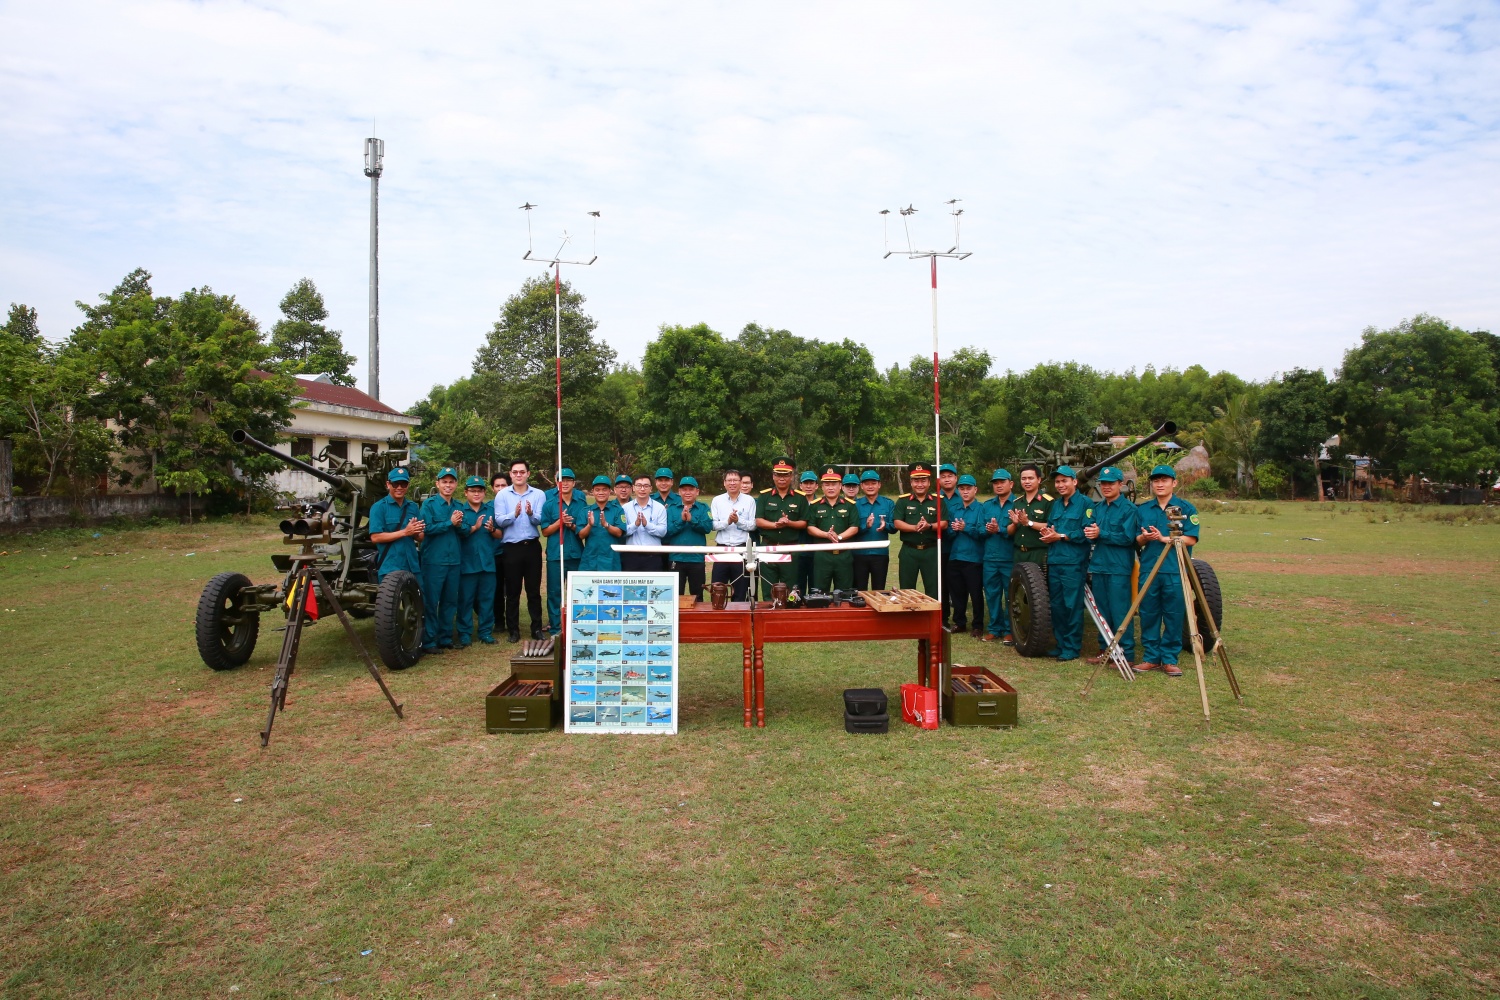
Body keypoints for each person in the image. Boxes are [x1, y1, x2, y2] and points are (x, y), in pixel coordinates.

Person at [1135, 464, 1199, 677]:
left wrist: (1165, 539)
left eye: (1164, 480)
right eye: (1156, 481)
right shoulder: (1143, 509)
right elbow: (1136, 538)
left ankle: (1170, 659)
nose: (1159, 484)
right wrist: (1145, 538)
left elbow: (1191, 538)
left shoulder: (1186, 508)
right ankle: (1151, 657)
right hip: (1149, 569)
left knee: (1173, 614)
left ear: (1174, 483)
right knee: (1148, 613)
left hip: (1174, 569)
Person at [1038, 465, 1094, 662]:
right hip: (1055, 560)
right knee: (1057, 605)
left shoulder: (1086, 504)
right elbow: (1052, 527)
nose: (1060, 485)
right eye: (1058, 482)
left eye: (1064, 481)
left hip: (1073, 563)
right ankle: (1060, 644)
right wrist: (1048, 534)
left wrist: (1061, 536)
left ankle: (1072, 646)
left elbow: (1086, 534)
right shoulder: (1056, 505)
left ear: (1075, 482)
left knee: (1072, 605)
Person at [1085, 466, 1139, 666]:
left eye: (1111, 483)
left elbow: (1127, 538)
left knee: (1120, 611)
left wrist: (1101, 534)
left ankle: (1127, 653)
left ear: (1121, 485)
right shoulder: (1098, 508)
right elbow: (1089, 528)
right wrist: (1090, 533)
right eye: (1103, 484)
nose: (1106, 487)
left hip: (1118, 567)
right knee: (1102, 611)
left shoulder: (1129, 509)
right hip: (1099, 565)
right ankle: (1105, 650)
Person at [494, 459, 547, 642]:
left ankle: (536, 628)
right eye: (515, 472)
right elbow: (499, 521)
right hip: (511, 548)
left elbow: (540, 520)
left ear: (528, 474)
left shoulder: (539, 494)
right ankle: (513, 631)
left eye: (522, 472)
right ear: (510, 474)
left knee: (533, 591)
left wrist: (531, 513)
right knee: (513, 591)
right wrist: (514, 515)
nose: (518, 475)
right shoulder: (502, 495)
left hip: (531, 547)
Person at [419, 467, 465, 653]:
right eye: (444, 481)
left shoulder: (459, 506)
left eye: (451, 481)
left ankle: (445, 637)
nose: (448, 485)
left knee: (449, 601)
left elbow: (464, 531)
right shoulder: (428, 505)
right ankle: (429, 641)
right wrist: (450, 523)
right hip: (433, 561)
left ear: (456, 484)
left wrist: (460, 525)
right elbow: (426, 529)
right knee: (431, 601)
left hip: (454, 560)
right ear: (437, 484)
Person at [754, 457, 809, 598]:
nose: (782, 478)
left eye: (785, 474)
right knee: (768, 591)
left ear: (791, 476)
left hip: (790, 549)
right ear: (773, 476)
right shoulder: (764, 496)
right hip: (768, 548)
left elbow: (804, 523)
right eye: (778, 474)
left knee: (790, 591)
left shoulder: (800, 498)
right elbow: (759, 521)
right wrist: (775, 525)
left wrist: (788, 523)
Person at [540, 468, 586, 636]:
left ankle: (577, 625)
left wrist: (571, 525)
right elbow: (544, 531)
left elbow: (583, 529)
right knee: (554, 593)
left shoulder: (581, 504)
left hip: (576, 555)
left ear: (573, 483)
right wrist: (560, 522)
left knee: (578, 593)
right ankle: (556, 628)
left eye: (568, 480)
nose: (564, 483)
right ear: (556, 482)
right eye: (561, 480)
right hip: (555, 555)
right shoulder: (549, 504)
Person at [455, 476, 498, 647]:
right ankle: (465, 633)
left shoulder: (490, 510)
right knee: (465, 600)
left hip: (487, 562)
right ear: (466, 493)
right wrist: (473, 528)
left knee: (487, 599)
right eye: (473, 490)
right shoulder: (459, 511)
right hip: (467, 563)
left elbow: (501, 534)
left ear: (484, 493)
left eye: (480, 490)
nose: (476, 493)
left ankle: (485, 632)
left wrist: (492, 529)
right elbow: (458, 532)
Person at [893, 461, 945, 597]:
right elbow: (897, 523)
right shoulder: (903, 501)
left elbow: (944, 523)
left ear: (929, 482)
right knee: (906, 590)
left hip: (931, 551)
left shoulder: (938, 500)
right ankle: (909, 618)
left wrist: (930, 526)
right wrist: (914, 527)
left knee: (933, 589)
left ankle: (931, 618)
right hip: (909, 551)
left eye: (923, 480)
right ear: (911, 482)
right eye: (916, 481)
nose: (920, 484)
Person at [366, 467, 424, 582]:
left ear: (408, 485)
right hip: (390, 567)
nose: (399, 488)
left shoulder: (413, 507)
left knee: (418, 598)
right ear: (388, 484)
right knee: (390, 599)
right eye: (395, 484)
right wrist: (405, 532)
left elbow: (421, 537)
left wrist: (416, 533)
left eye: (403, 484)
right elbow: (375, 537)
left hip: (412, 566)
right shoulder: (379, 507)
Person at [979, 469, 1017, 644]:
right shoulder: (986, 505)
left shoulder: (1018, 503)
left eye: (1002, 482)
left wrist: (1000, 530)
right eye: (995, 482)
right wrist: (987, 530)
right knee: (992, 594)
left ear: (1011, 484)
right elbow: (978, 529)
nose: (999, 485)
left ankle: (1011, 630)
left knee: (1011, 595)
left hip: (1009, 558)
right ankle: (995, 628)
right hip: (990, 558)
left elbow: (1020, 532)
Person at [947, 474, 987, 637]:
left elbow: (983, 532)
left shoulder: (981, 509)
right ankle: (960, 622)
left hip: (973, 558)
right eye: (962, 489)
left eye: (968, 488)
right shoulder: (954, 509)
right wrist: (954, 530)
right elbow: (947, 533)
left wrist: (966, 528)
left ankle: (977, 625)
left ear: (975, 490)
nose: (965, 492)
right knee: (957, 593)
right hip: (955, 557)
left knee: (975, 593)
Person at [807, 466, 858, 592]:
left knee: (844, 594)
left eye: (834, 484)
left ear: (840, 486)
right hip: (822, 555)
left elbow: (854, 527)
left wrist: (839, 537)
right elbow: (810, 527)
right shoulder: (814, 506)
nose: (830, 488)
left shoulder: (850, 505)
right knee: (819, 594)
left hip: (843, 556)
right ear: (822, 486)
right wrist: (826, 535)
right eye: (827, 484)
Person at [711, 469, 756, 601]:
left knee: (740, 590)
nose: (732, 483)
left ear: (740, 482)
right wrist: (727, 522)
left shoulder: (749, 501)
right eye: (729, 480)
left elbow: (753, 525)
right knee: (718, 589)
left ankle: (739, 619)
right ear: (724, 483)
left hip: (741, 549)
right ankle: (719, 619)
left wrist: (738, 521)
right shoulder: (717, 500)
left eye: (735, 480)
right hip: (722, 549)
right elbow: (713, 525)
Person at [664, 475, 713, 598]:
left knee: (697, 596)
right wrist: (681, 521)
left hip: (696, 559)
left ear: (697, 491)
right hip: (676, 558)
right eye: (684, 489)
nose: (687, 492)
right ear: (679, 491)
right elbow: (668, 531)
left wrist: (692, 520)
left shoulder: (703, 508)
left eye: (691, 489)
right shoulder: (672, 509)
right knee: (675, 596)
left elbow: (707, 528)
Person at [853, 469, 895, 590]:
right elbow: (852, 529)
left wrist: (885, 525)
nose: (870, 486)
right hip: (859, 554)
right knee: (859, 591)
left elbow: (894, 527)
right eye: (866, 483)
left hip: (880, 554)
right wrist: (865, 526)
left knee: (879, 590)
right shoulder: (855, 505)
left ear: (879, 485)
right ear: (861, 486)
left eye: (873, 483)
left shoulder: (888, 503)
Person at [619, 474, 668, 572]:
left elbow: (663, 532)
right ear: (633, 488)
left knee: (653, 586)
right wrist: (635, 525)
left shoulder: (660, 508)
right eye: (639, 486)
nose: (642, 489)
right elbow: (622, 532)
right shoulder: (625, 508)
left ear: (651, 488)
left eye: (646, 486)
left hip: (653, 555)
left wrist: (647, 525)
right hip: (631, 556)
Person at [1007, 463, 1052, 569]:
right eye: (1023, 478)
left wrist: (1029, 523)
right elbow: (1009, 531)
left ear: (1039, 479)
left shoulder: (1047, 501)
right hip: (1019, 553)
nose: (1027, 482)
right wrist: (1014, 524)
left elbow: (1051, 527)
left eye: (1030, 478)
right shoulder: (1017, 502)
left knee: (1037, 585)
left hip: (1038, 553)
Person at [578, 475, 624, 572]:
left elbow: (619, 532)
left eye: (604, 489)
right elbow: (581, 535)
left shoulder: (618, 510)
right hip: (590, 558)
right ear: (592, 491)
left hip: (611, 559)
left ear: (609, 491)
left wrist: (606, 525)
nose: (601, 493)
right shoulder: (585, 511)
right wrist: (589, 525)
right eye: (597, 490)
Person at [487, 470, 511, 637]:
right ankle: (498, 621)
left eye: (504, 485)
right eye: (497, 486)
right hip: (493, 553)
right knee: (495, 589)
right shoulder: (487, 506)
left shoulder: (514, 504)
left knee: (511, 588)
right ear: (492, 488)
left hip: (510, 551)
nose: (501, 488)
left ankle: (511, 621)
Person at [936, 463, 959, 627]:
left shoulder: (964, 495)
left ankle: (960, 619)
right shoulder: (935, 498)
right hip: (941, 548)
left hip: (959, 548)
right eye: (943, 476)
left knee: (958, 586)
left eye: (950, 476)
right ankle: (943, 618)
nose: (947, 479)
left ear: (955, 478)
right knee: (941, 584)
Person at [652, 467, 682, 571]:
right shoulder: (649, 499)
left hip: (674, 545)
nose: (663, 483)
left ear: (672, 482)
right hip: (654, 545)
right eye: (660, 480)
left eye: (666, 480)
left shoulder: (680, 499)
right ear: (656, 482)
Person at [795, 470, 819, 594]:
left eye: (811, 483)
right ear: (800, 485)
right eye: (805, 483)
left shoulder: (821, 504)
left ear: (816, 486)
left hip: (816, 551)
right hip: (798, 551)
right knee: (798, 588)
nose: (808, 486)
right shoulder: (795, 503)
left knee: (815, 588)